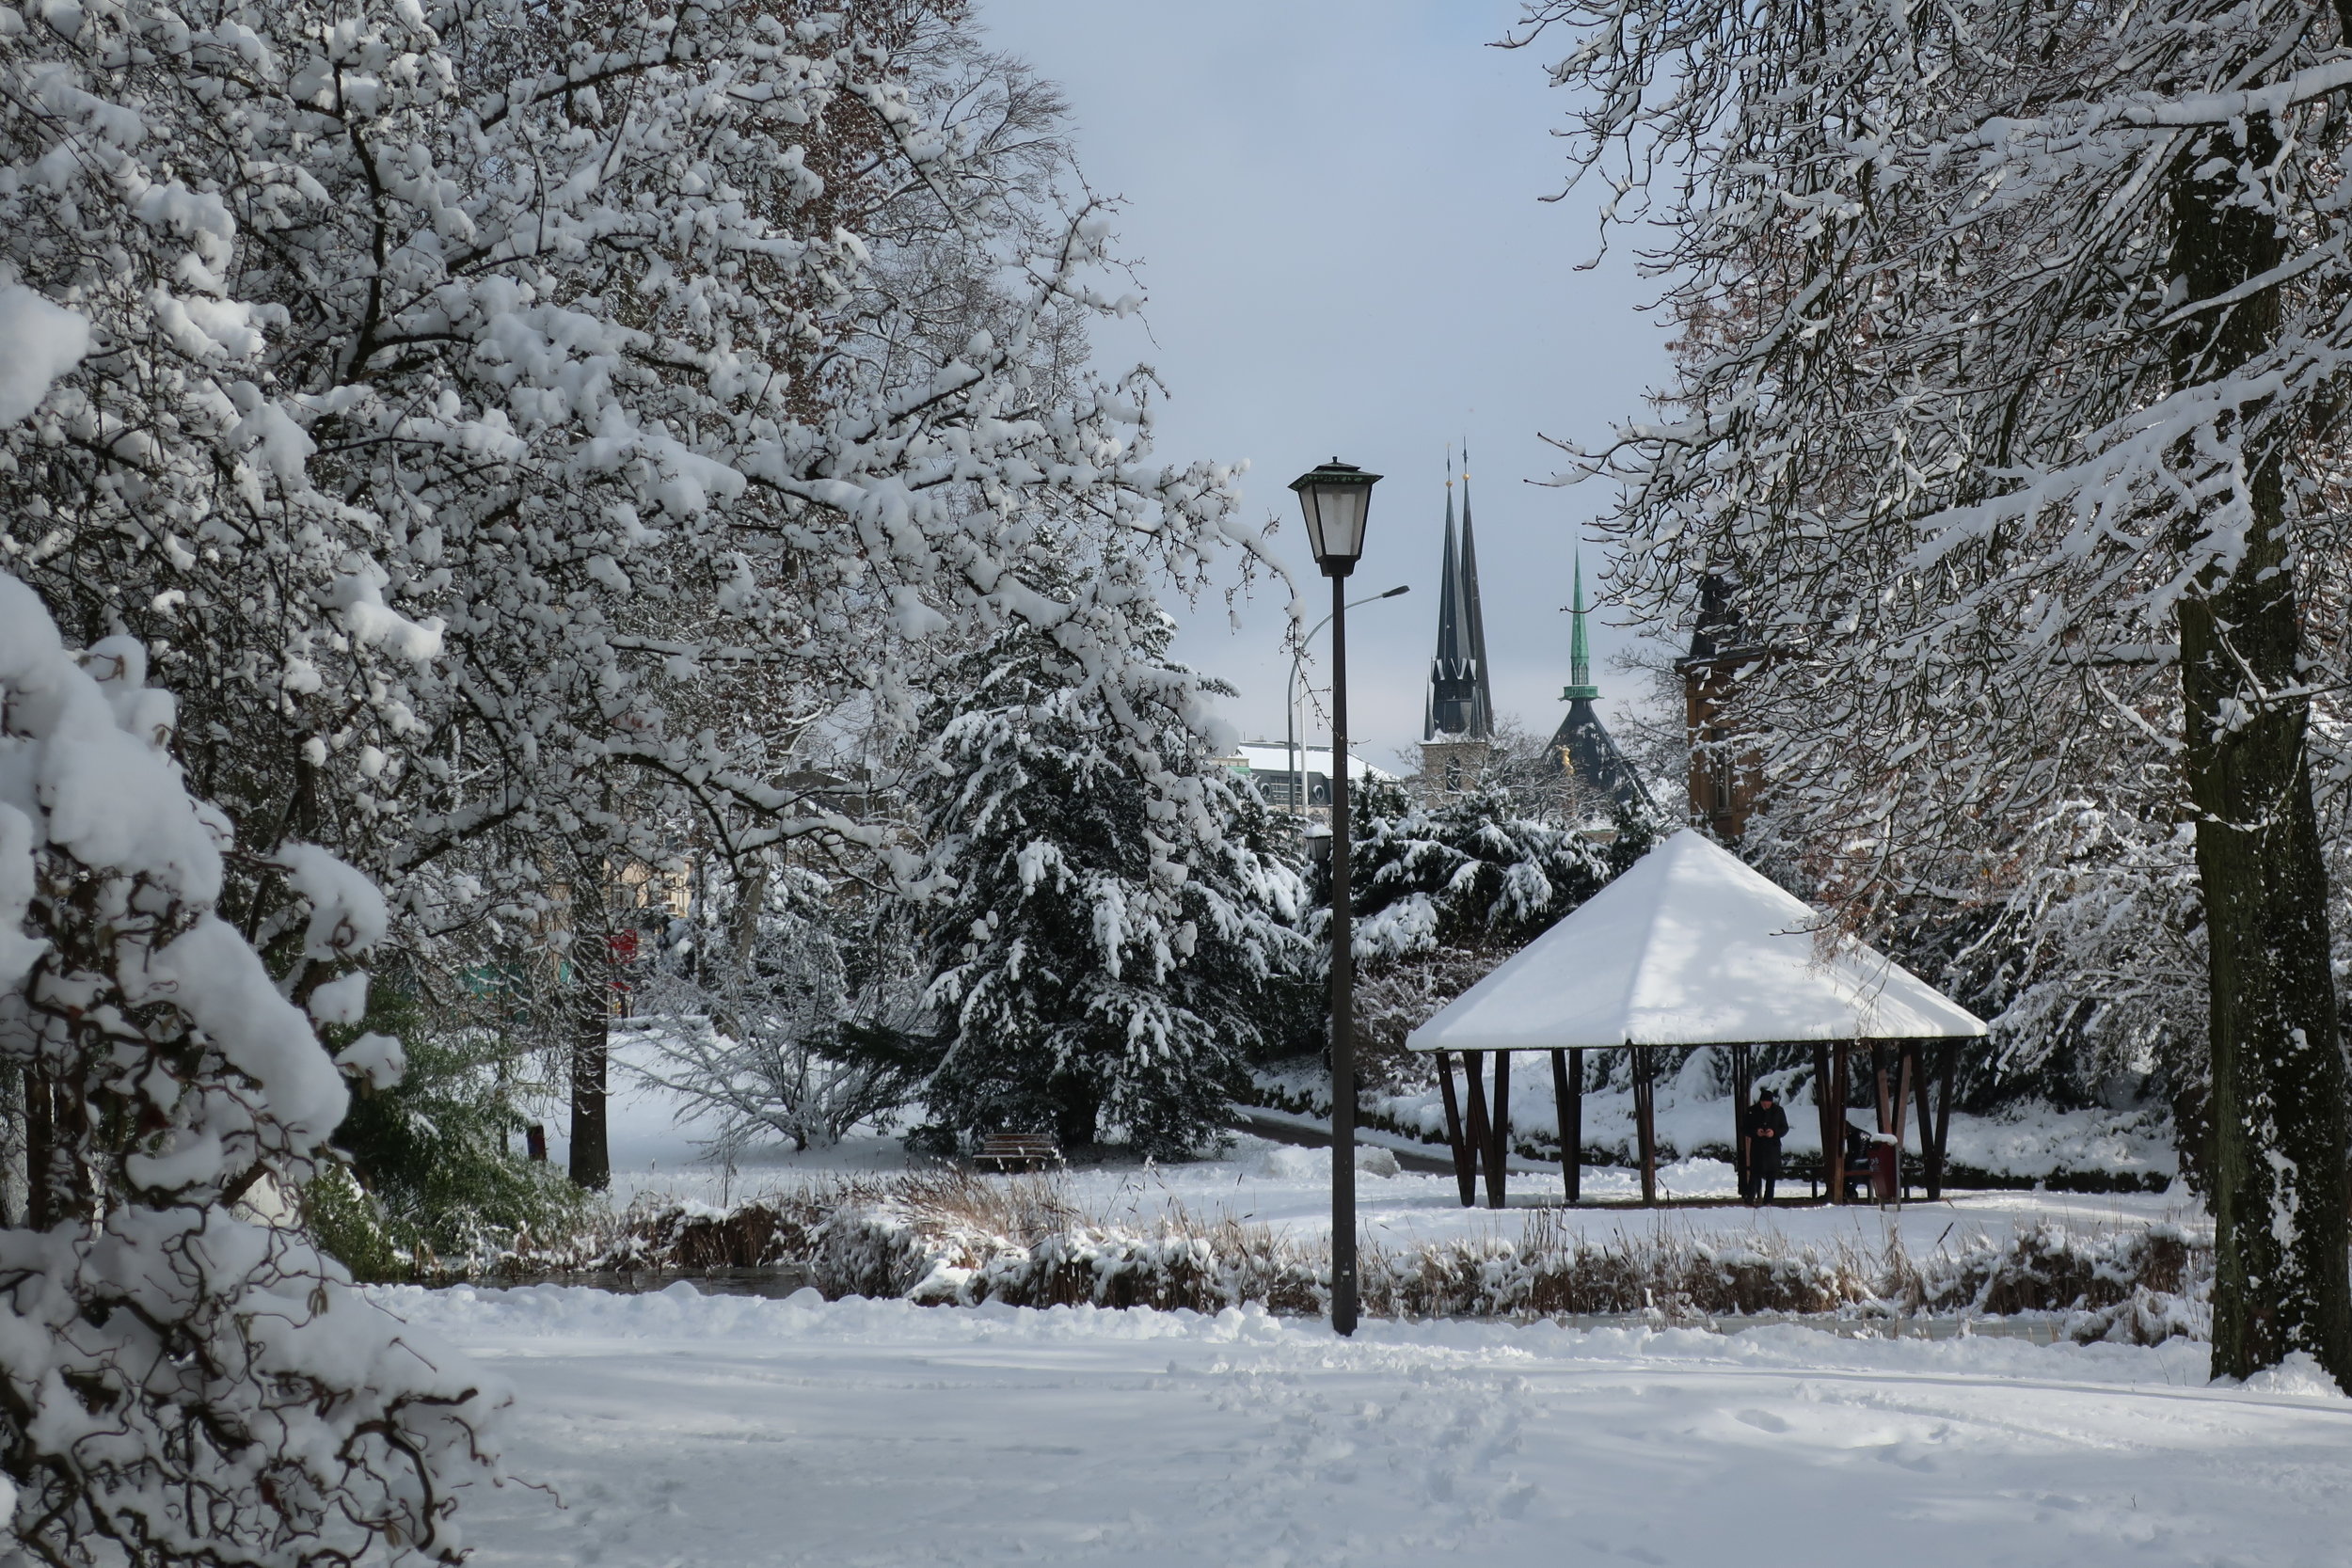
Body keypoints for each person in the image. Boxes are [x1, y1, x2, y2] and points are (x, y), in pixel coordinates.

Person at [1742, 1087, 1789, 1206]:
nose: (1766, 1105)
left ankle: (1768, 1200)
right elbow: (1745, 1128)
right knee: (1754, 1174)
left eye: (1769, 1103)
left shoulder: (1778, 1111)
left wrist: (1774, 1133)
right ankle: (1750, 1198)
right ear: (1761, 1101)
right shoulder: (1752, 1111)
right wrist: (1756, 1132)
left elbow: (1784, 1128)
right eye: (1764, 1103)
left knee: (1771, 1175)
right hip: (1758, 1147)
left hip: (1772, 1147)